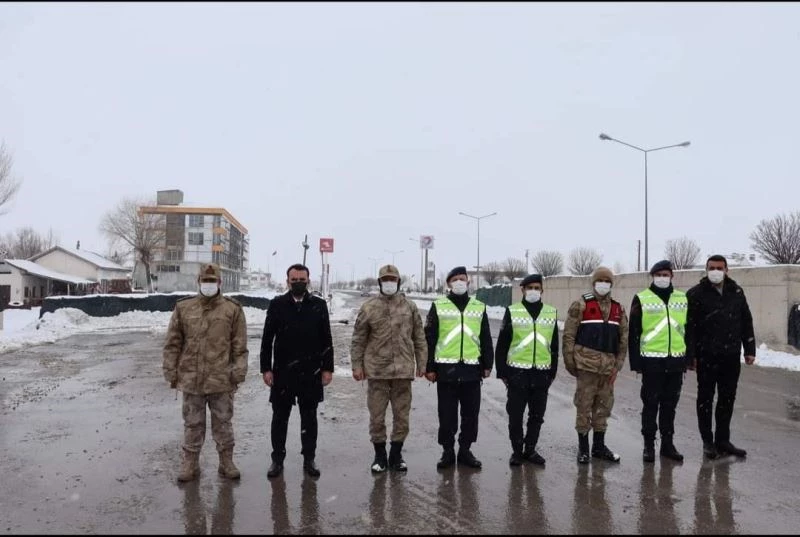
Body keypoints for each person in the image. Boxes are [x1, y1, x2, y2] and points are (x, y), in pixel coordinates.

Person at [162, 263, 249, 482]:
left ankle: (226, 462)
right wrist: (170, 371)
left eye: (212, 281)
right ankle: (190, 463)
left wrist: (238, 372)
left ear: (220, 283)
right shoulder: (184, 308)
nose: (208, 285)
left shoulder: (232, 310)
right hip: (192, 379)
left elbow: (239, 347)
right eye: (205, 281)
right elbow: (173, 343)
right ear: (198, 282)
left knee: (223, 423)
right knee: (192, 423)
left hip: (221, 379)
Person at [350, 264, 428, 473]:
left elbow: (419, 337)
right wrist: (357, 366)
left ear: (398, 282)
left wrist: (422, 363)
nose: (389, 283)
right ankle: (379, 455)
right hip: (377, 372)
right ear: (380, 282)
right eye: (386, 279)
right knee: (377, 416)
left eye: (393, 279)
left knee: (401, 416)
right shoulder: (369, 307)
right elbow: (358, 339)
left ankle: (396, 454)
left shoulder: (409, 307)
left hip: (403, 372)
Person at [260, 263, 334, 478]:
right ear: (288, 281)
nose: (299, 283)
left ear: (308, 281)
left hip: (311, 372)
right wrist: (266, 368)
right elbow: (267, 340)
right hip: (283, 372)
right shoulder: (277, 305)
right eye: (295, 280)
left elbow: (326, 339)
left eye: (303, 280)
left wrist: (327, 368)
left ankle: (309, 459)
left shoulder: (318, 305)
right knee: (279, 419)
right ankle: (277, 460)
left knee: (309, 419)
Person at [685, 254, 755, 459]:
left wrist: (750, 349)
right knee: (705, 399)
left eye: (719, 268)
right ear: (706, 270)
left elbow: (746, 320)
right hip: (706, 356)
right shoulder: (696, 294)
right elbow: (689, 328)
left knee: (727, 398)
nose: (716, 271)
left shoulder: (736, 292)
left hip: (730, 356)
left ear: (727, 270)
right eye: (712, 268)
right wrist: (691, 355)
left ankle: (723, 440)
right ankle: (708, 442)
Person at [424, 266, 493, 469]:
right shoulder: (439, 306)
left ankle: (465, 450)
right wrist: (430, 366)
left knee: (471, 415)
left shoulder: (479, 307)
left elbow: (486, 337)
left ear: (468, 281)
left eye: (463, 279)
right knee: (447, 415)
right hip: (446, 370)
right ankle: (447, 451)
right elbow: (430, 337)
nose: (460, 282)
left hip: (472, 371)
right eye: (455, 279)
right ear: (449, 284)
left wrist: (487, 364)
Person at [563, 266, 628, 464]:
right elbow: (569, 336)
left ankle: (598, 447)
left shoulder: (618, 309)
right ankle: (583, 449)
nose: (604, 285)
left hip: (607, 369)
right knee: (584, 407)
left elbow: (623, 339)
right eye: (600, 281)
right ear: (593, 283)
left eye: (607, 281)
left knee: (603, 408)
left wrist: (617, 366)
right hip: (586, 367)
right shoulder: (581, 305)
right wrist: (570, 362)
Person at [495, 273, 558, 466]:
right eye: (529, 287)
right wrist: (503, 373)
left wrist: (551, 373)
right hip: (517, 373)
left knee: (537, 416)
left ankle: (530, 450)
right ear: (522, 290)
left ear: (542, 290)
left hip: (541, 373)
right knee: (515, 416)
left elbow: (554, 346)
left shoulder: (550, 312)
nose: (533, 291)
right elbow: (503, 344)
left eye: (536, 288)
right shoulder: (513, 311)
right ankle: (517, 451)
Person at [628, 260, 687, 463]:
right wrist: (636, 362)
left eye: (666, 274)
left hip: (676, 362)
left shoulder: (682, 298)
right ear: (652, 276)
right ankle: (648, 445)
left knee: (670, 406)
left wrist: (687, 357)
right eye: (659, 274)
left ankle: (667, 444)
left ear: (672, 276)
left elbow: (688, 329)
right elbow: (634, 332)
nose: (663, 277)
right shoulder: (642, 298)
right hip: (652, 362)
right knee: (651, 405)